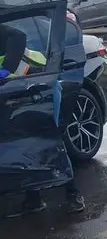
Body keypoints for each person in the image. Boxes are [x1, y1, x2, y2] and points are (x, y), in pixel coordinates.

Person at [0, 23, 86, 217]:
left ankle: (72, 194)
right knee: (25, 145)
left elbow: (19, 36)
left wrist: (5, 69)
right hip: (16, 94)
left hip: (41, 88)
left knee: (49, 139)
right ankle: (34, 199)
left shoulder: (5, 31)